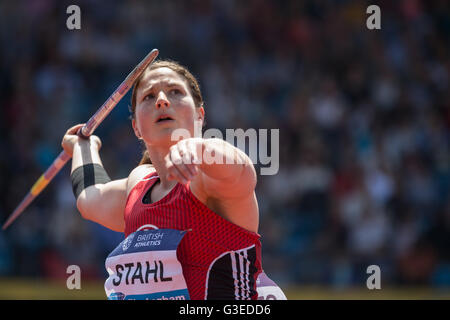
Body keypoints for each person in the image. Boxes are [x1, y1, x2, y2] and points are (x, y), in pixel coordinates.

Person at [62, 59, 286, 300]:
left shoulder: (208, 180)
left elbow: (242, 171)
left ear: (200, 116)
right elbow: (90, 197)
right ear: (136, 127)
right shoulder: (137, 187)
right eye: (148, 97)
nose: (161, 100)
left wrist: (198, 148)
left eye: (175, 92)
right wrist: (83, 147)